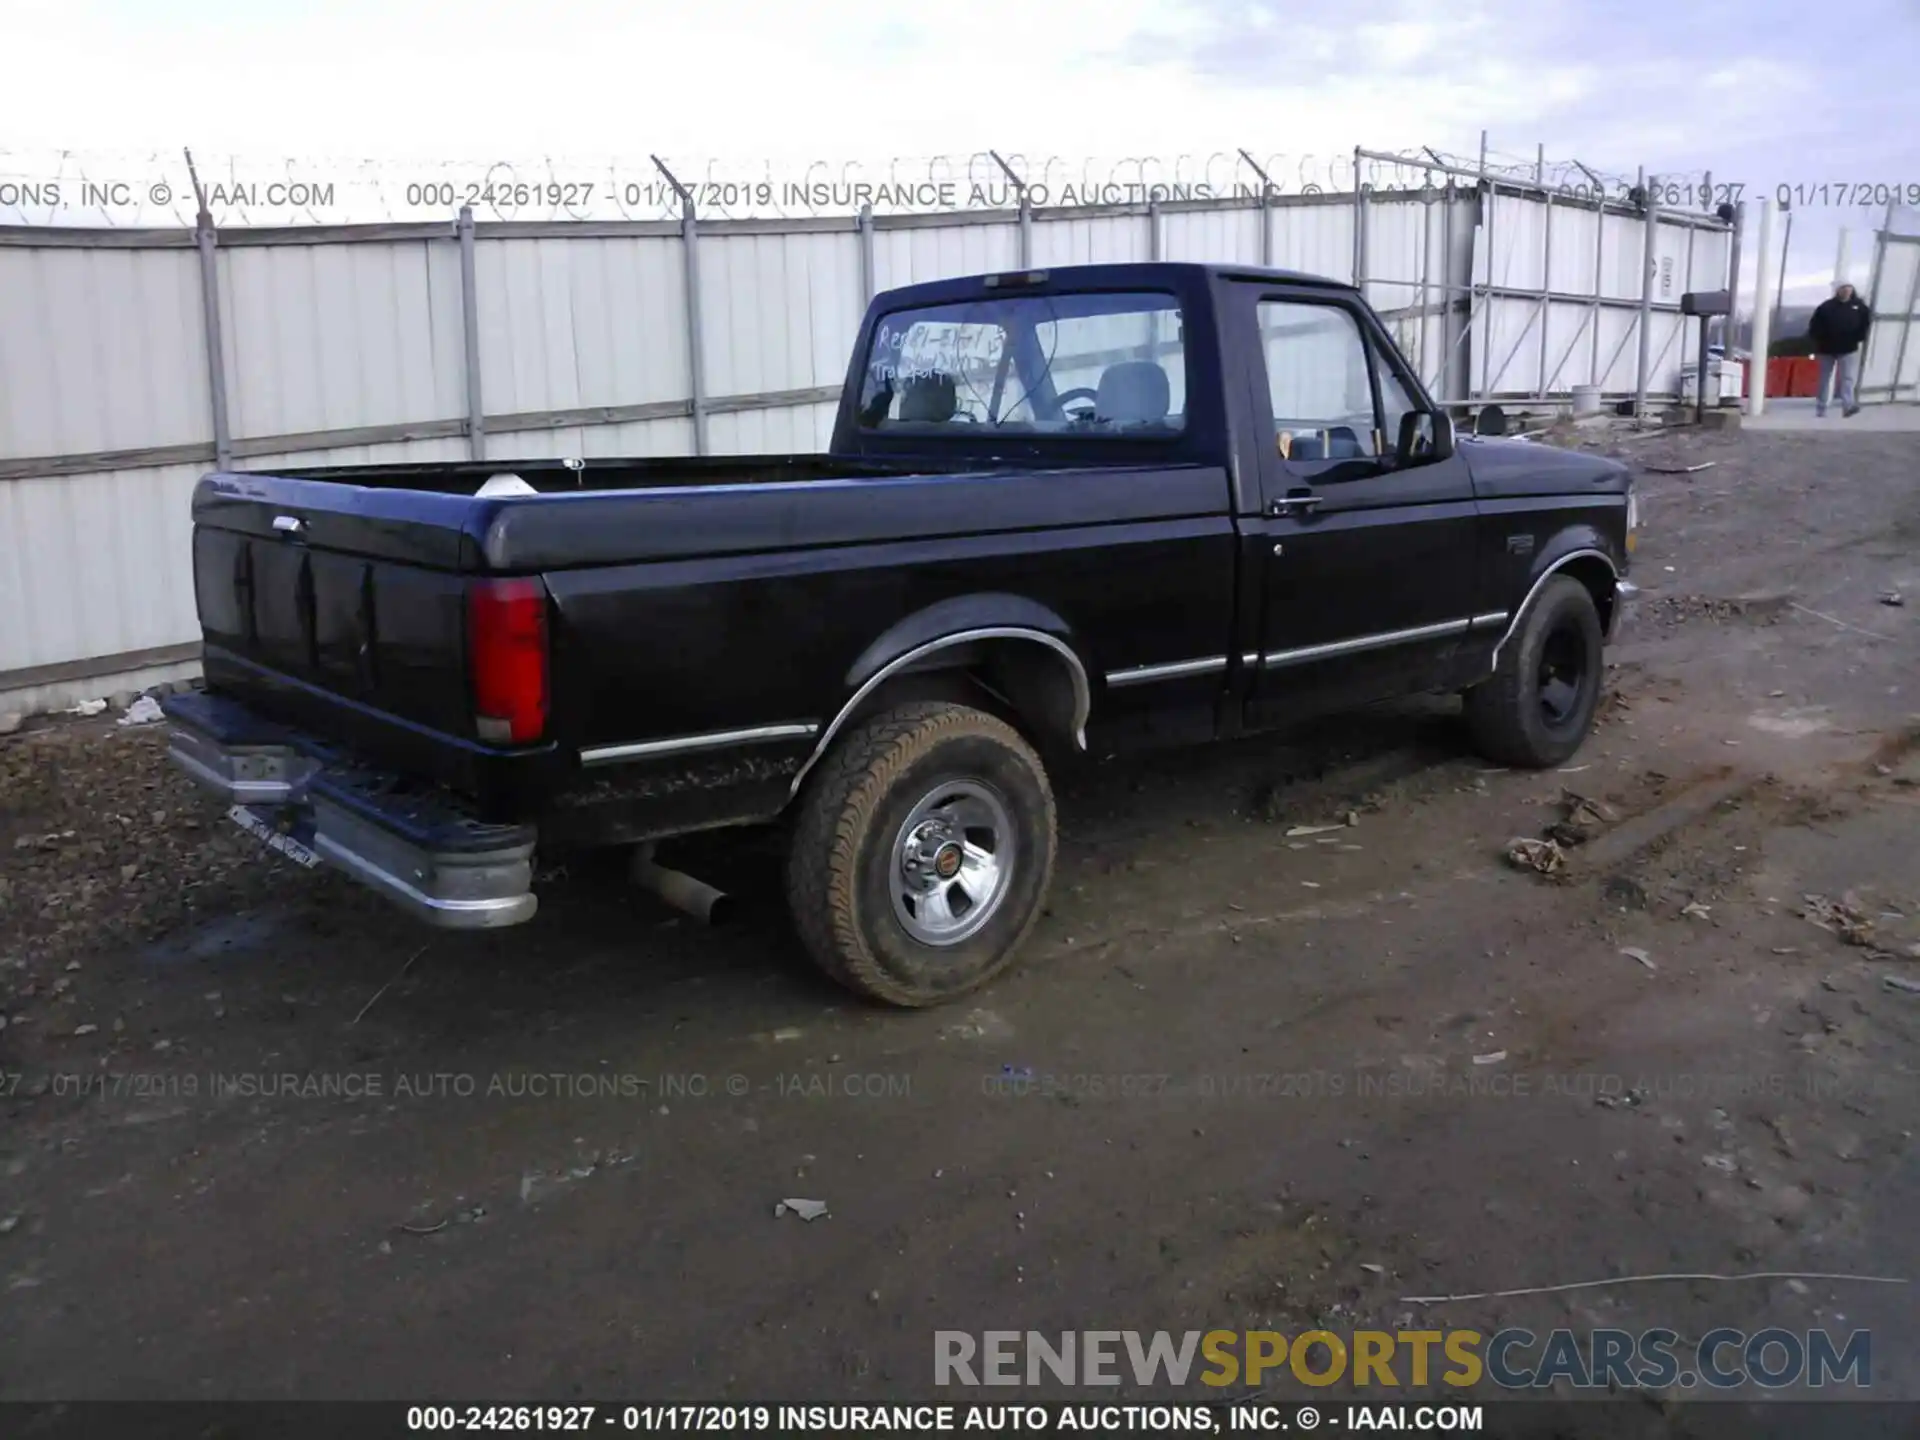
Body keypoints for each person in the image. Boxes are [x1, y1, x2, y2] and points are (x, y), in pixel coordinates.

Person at [1807, 281, 1872, 418]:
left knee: (1847, 378)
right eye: (1843, 288)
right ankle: (1821, 408)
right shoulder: (1826, 307)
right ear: (1838, 291)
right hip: (1826, 349)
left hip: (1848, 348)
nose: (1847, 291)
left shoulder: (1859, 307)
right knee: (1825, 379)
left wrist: (1859, 337)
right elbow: (1814, 326)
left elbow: (1865, 323)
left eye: (1849, 288)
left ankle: (1848, 406)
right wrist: (1820, 340)